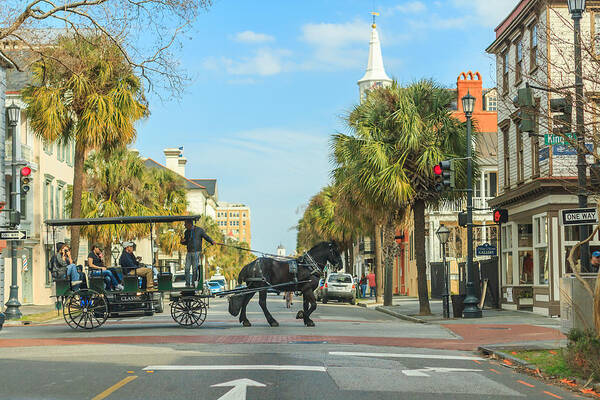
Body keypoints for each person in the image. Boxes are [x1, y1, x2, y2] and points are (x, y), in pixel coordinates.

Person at [181, 220, 215, 287]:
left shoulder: (199, 230)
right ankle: (187, 284)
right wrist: (182, 241)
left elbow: (206, 237)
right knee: (187, 268)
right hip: (189, 252)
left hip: (196, 252)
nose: (184, 226)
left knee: (194, 268)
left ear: (189, 224)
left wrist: (212, 241)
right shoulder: (186, 232)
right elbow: (186, 242)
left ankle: (193, 283)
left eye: (185, 224)